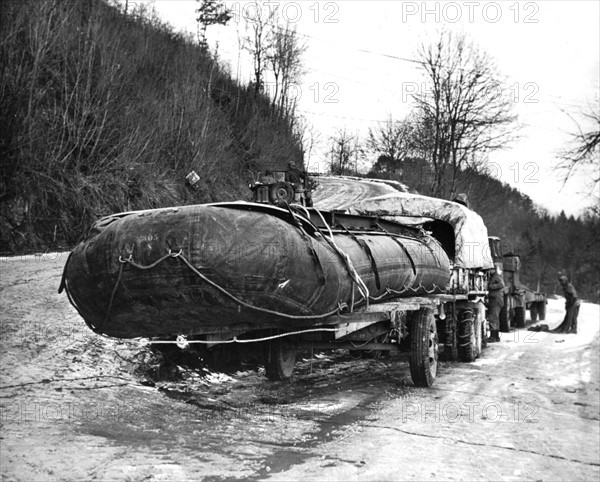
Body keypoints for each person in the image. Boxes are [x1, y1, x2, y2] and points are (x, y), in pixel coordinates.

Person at [487, 268, 505, 342]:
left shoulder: (497, 276)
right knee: (495, 318)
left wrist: (491, 287)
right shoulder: (493, 276)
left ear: (493, 270)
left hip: (496, 300)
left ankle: (493, 337)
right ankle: (496, 337)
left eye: (490, 270)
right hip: (496, 300)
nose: (489, 271)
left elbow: (502, 284)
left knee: (493, 318)